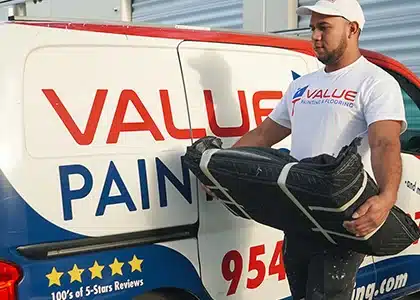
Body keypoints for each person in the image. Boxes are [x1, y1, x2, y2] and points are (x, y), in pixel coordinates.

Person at [231, 0, 407, 299]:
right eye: (312, 28)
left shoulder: (376, 82)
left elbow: (385, 142)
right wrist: (220, 163)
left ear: (352, 29)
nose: (314, 36)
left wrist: (387, 197)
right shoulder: (302, 85)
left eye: (324, 27)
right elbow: (263, 134)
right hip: (297, 213)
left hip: (340, 216)